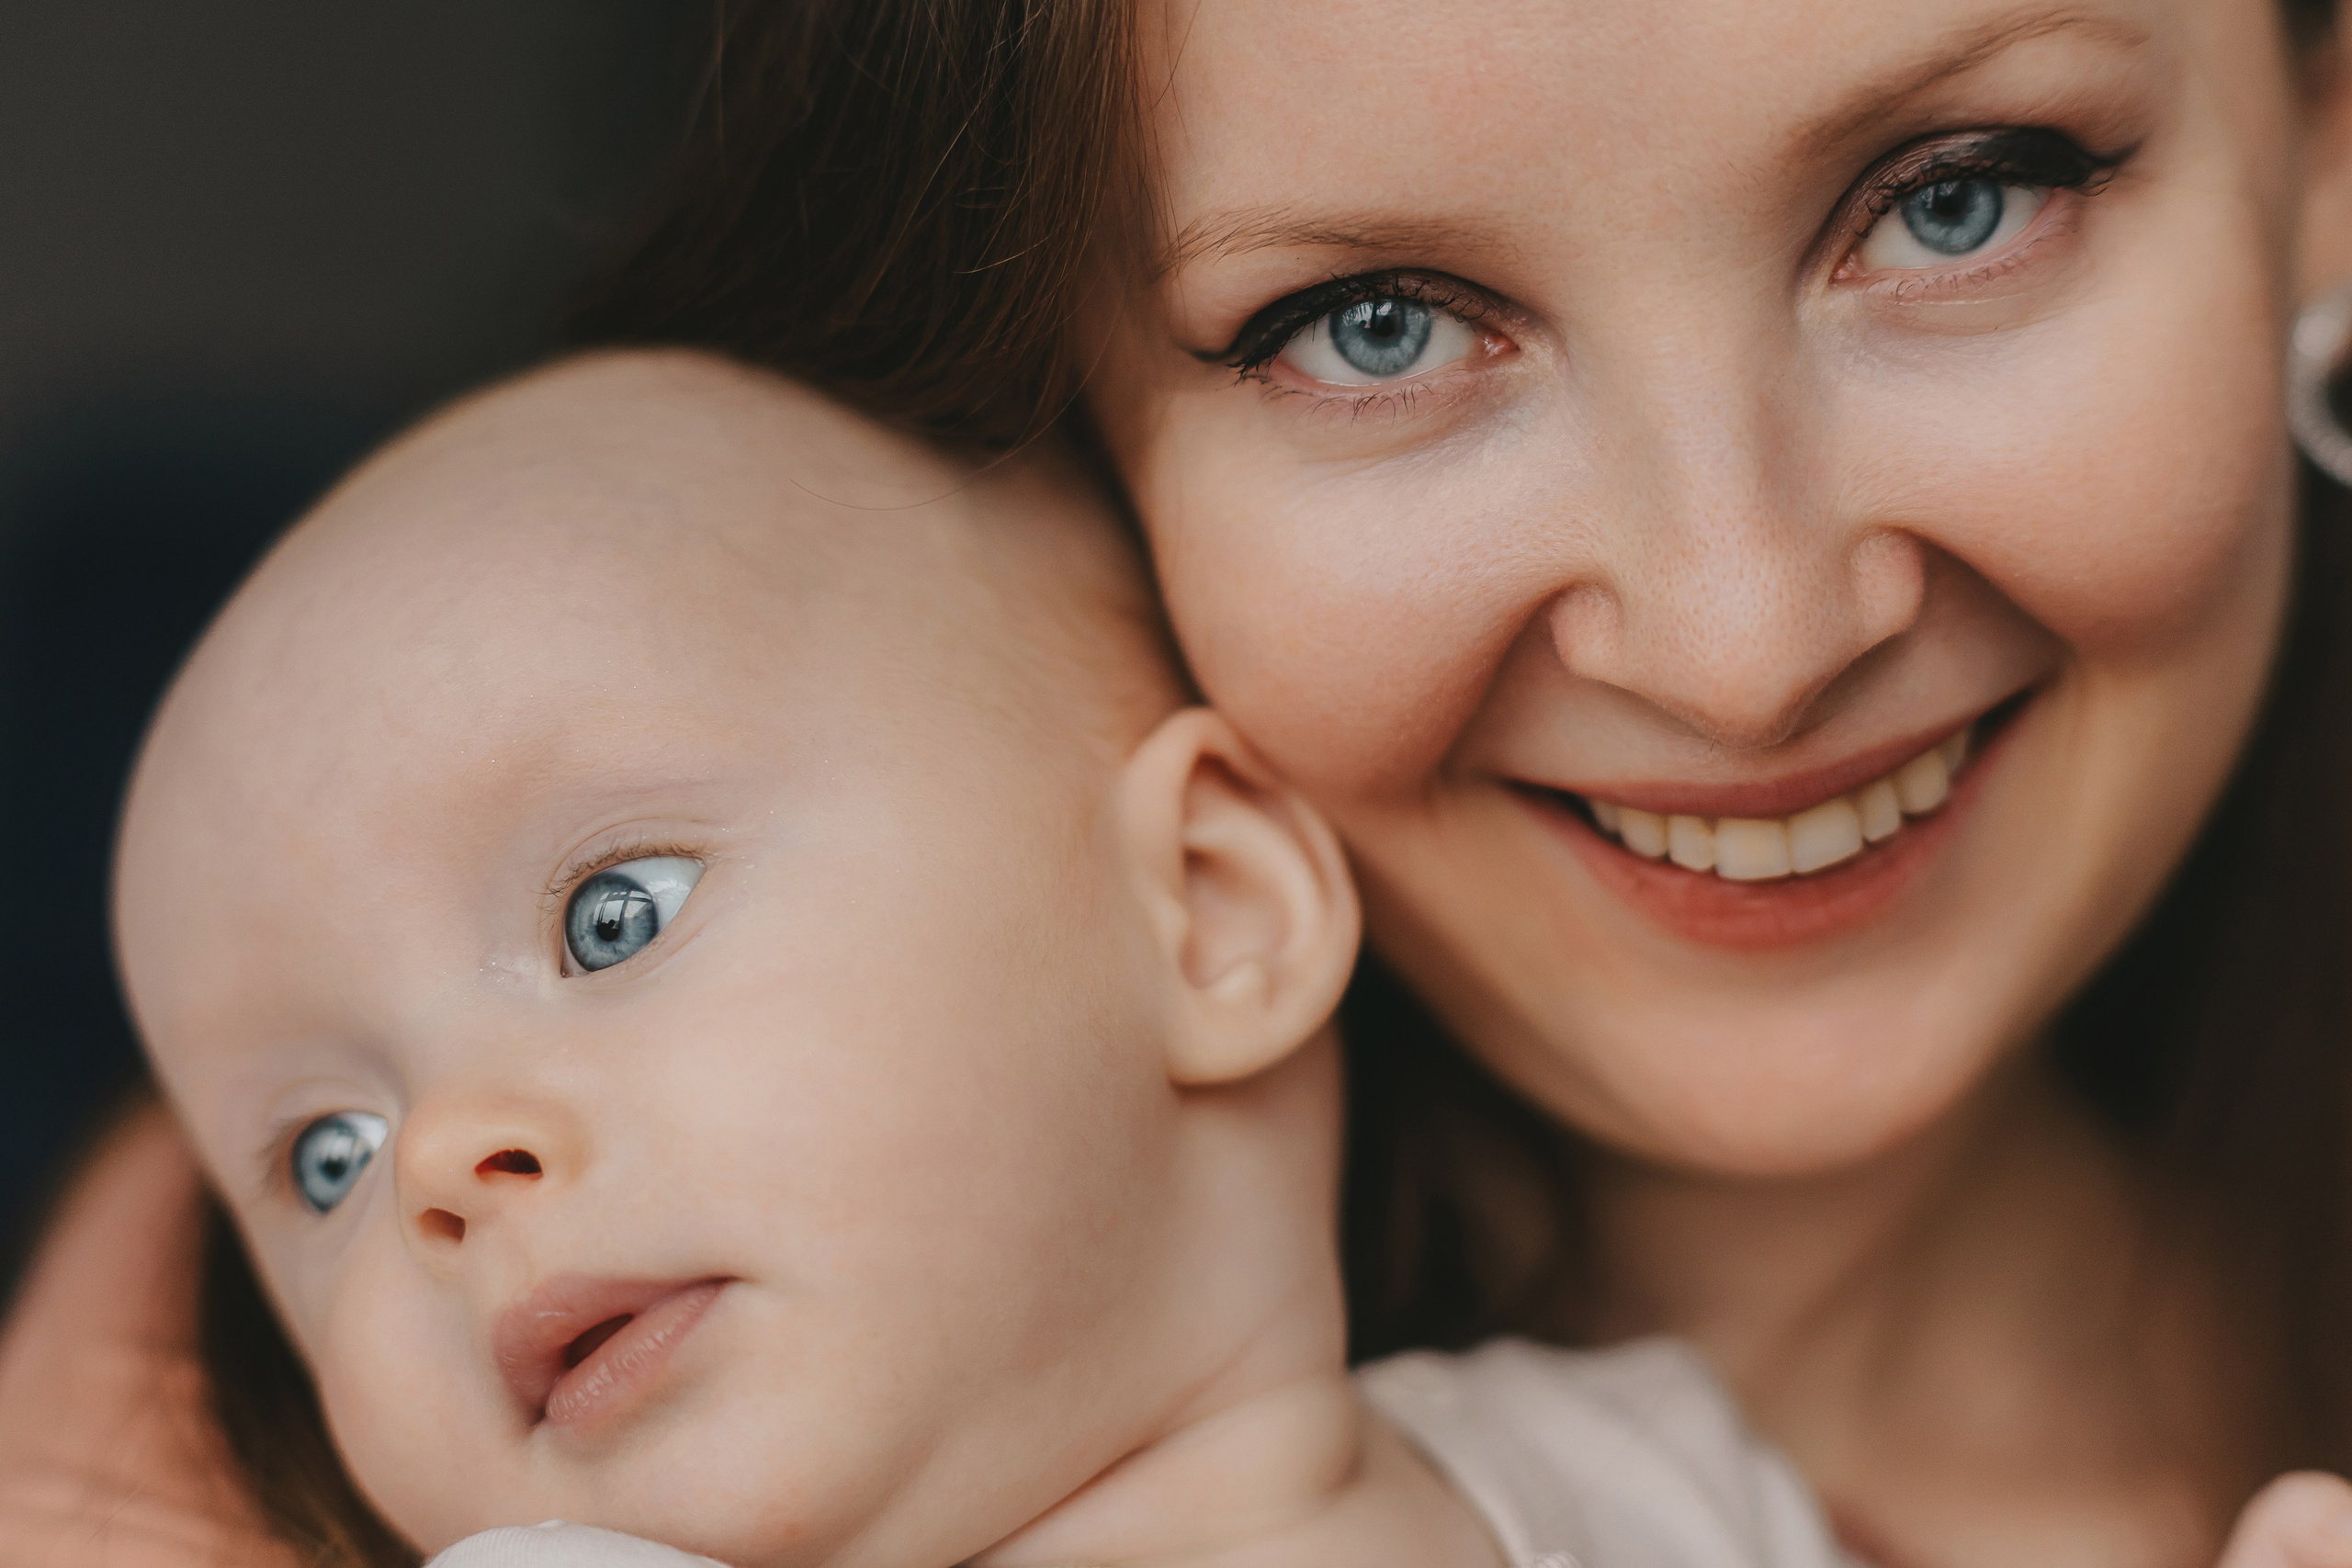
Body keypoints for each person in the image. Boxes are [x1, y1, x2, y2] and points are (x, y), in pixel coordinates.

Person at [13, 1, 2352, 1565]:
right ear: (1053, 389)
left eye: (1959, 193)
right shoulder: (317, 1381)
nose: (1741, 639)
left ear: (2325, 146)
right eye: (1372, 326)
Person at [95, 345, 1860, 1568]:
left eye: (608, 917)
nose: (430, 1166)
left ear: (1211, 911)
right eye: (318, 1154)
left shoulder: (1645, 1480)